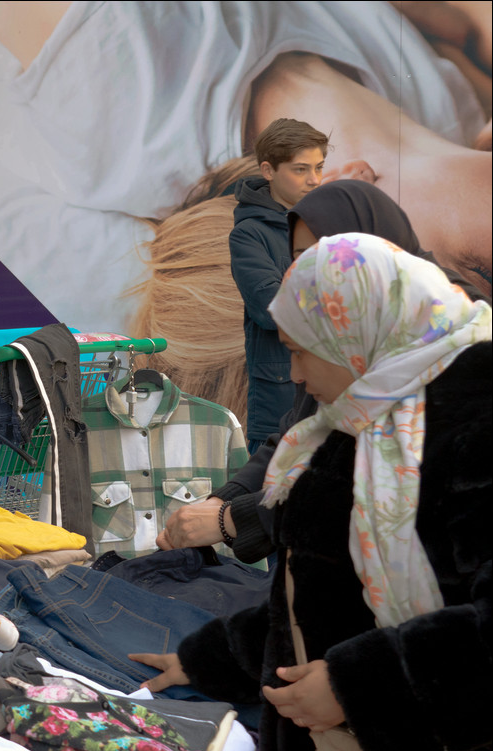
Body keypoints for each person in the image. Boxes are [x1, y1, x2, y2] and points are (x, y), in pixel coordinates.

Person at [133, 232, 492, 751]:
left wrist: (362, 688)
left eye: (301, 350)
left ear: (353, 335)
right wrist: (210, 660)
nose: (294, 376)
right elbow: (323, 600)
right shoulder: (362, 419)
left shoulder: (476, 420)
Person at [156, 179, 491, 563]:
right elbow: (301, 431)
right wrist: (221, 502)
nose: (309, 269)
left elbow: (353, 482)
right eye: (298, 256)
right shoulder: (341, 329)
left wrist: (230, 518)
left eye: (324, 251)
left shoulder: (456, 348)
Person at [229, 118, 328, 452]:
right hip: (280, 401)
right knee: (267, 500)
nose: (314, 180)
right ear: (268, 170)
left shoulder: (330, 222)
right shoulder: (248, 233)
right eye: (301, 169)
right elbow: (270, 309)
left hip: (337, 395)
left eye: (319, 167)